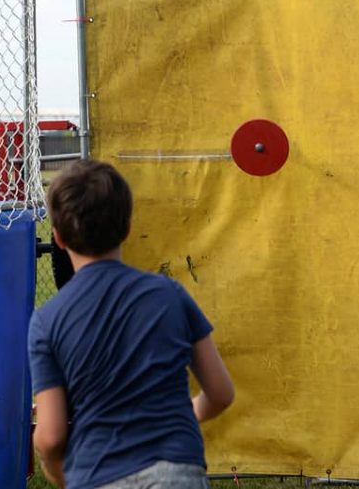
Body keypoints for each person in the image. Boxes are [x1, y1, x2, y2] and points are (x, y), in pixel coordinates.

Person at [29, 160, 235, 489]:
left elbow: (51, 436)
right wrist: (181, 417)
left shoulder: (45, 321)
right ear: (127, 228)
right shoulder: (170, 294)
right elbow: (221, 393)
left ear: (58, 238)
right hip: (176, 472)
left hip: (96, 475)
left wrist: (59, 473)